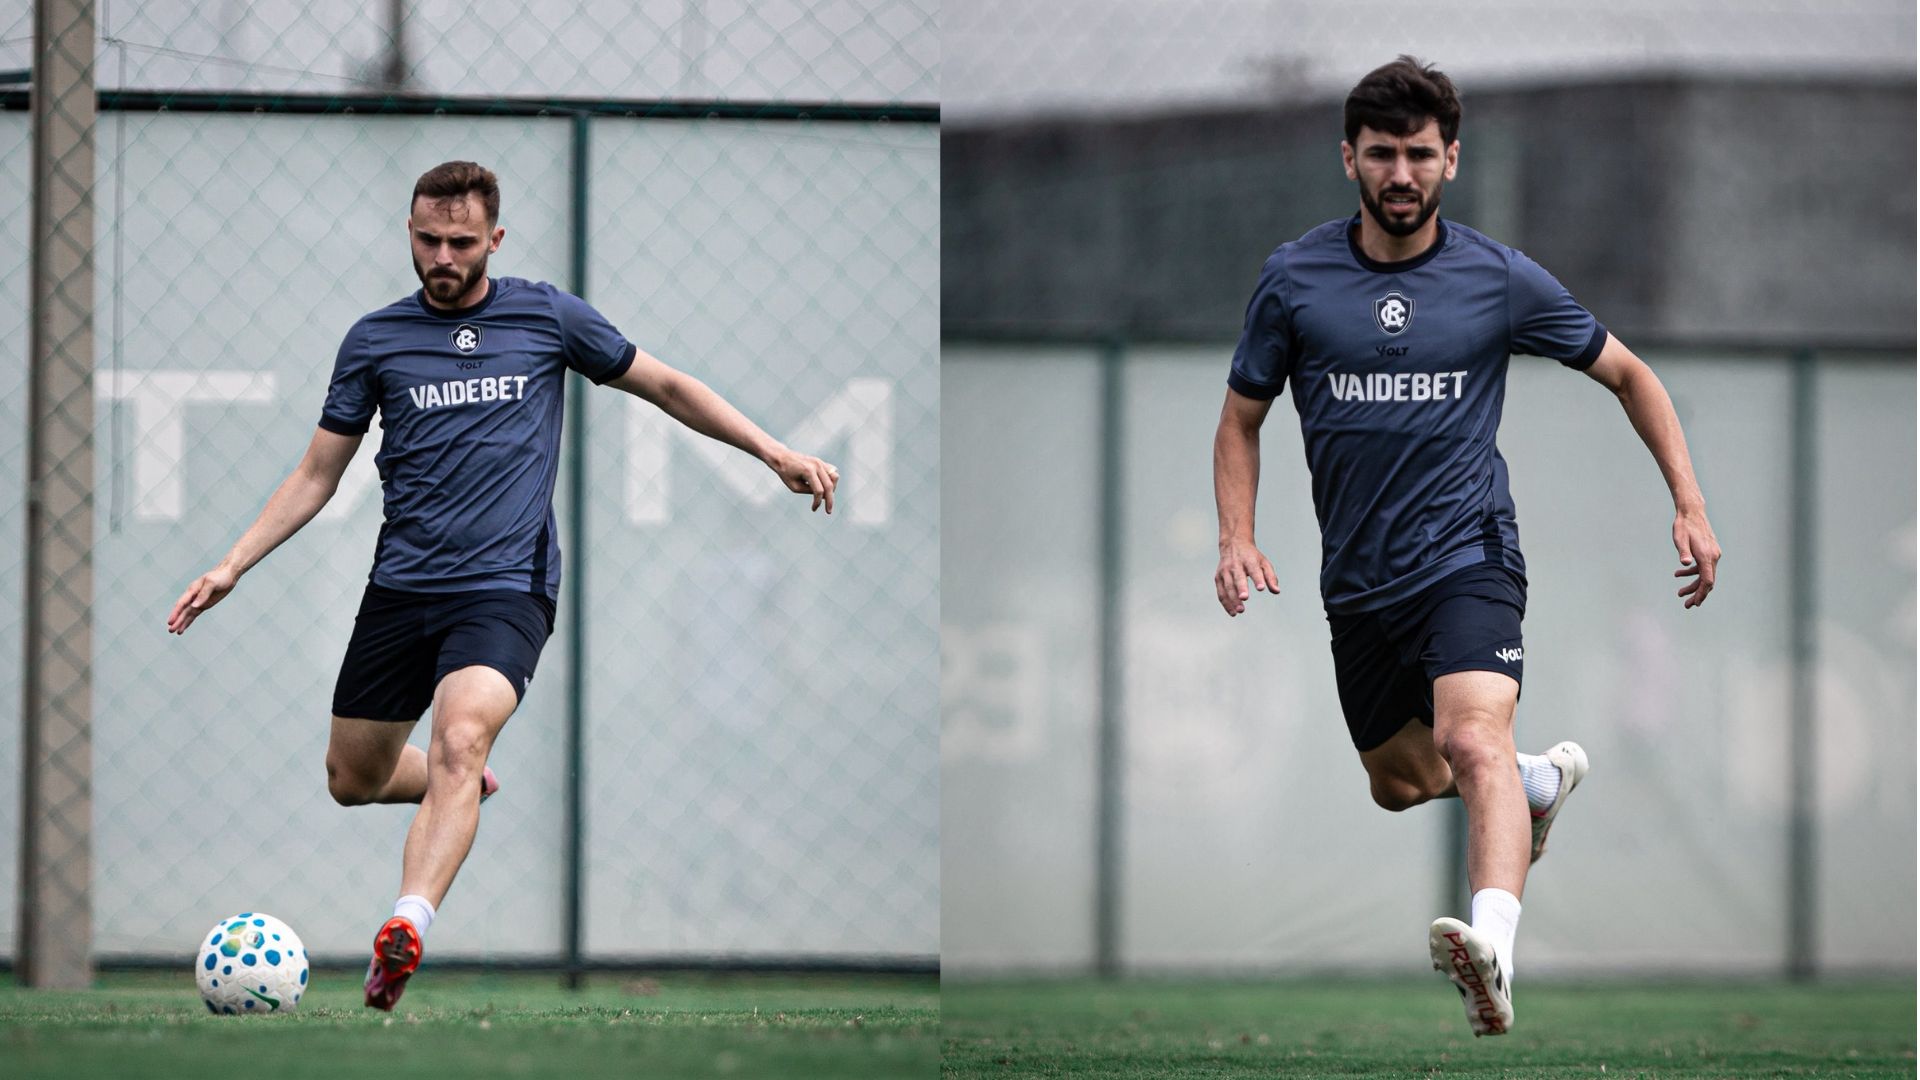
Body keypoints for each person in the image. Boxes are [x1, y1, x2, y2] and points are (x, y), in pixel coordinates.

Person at [166, 161, 841, 1011]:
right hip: (402, 590)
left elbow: (665, 384)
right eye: (426, 240)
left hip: (504, 590)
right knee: (351, 776)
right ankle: (462, 784)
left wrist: (773, 450)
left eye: (459, 241)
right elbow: (316, 475)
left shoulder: (547, 315)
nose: (442, 255)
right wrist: (232, 564)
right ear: (409, 232)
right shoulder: (374, 340)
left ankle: (407, 923)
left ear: (495, 239)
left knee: (461, 735)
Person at [1211, 57, 1720, 1036]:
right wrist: (1236, 535)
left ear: (1452, 160)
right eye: (1383, 154)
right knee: (1398, 784)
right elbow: (1241, 418)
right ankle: (1533, 786)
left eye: (1420, 154)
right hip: (1358, 580)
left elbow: (1630, 374)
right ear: (1348, 159)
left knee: (1469, 738)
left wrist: (1688, 505)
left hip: (1469, 553)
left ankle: (1495, 946)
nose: (1401, 173)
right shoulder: (1295, 279)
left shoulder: (1496, 277)